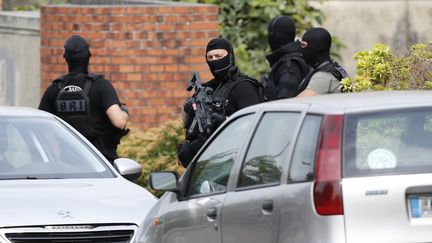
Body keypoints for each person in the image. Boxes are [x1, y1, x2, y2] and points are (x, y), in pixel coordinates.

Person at [38, 35, 129, 163]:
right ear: (89, 56)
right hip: (102, 165)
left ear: (65, 58)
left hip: (68, 165)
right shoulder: (101, 85)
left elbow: (40, 128)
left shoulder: (54, 89)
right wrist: (124, 112)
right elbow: (119, 122)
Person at [177, 37, 262, 168]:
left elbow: (253, 127)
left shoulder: (244, 87)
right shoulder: (207, 88)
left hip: (232, 163)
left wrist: (225, 121)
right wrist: (188, 108)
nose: (215, 60)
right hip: (204, 163)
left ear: (230, 56)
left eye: (218, 56)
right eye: (210, 58)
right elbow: (184, 123)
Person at [262, 15, 309, 101]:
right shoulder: (286, 61)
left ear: (274, 37)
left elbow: (285, 105)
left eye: (269, 34)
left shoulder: (289, 67)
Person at [297, 27, 349, 96]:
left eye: (303, 45)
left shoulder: (323, 76)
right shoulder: (336, 69)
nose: (300, 49)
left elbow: (298, 103)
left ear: (317, 48)